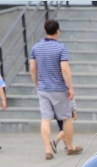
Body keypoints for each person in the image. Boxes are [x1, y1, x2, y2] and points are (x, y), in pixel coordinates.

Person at [30, 19, 82, 159]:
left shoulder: (36, 48)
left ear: (45, 31)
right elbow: (64, 68)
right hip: (59, 88)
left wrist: (37, 83)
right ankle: (70, 146)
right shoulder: (61, 48)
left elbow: (33, 68)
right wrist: (70, 87)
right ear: (58, 31)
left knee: (45, 119)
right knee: (66, 118)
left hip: (43, 88)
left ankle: (48, 149)